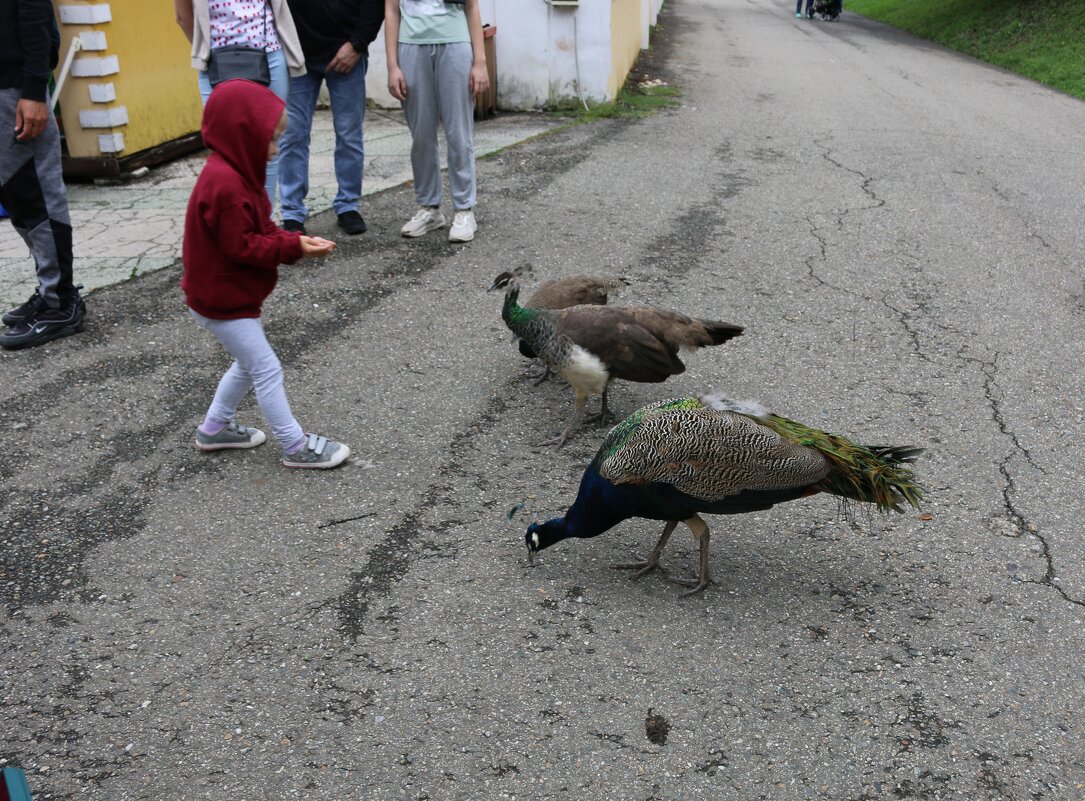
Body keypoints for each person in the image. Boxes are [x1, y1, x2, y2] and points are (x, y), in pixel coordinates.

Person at [182, 79, 350, 469]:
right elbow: (242, 246)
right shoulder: (226, 185)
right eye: (270, 140)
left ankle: (213, 428)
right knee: (266, 368)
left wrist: (296, 240)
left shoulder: (236, 172)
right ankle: (295, 446)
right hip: (221, 299)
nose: (275, 150)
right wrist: (292, 247)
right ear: (242, 134)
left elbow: (263, 228)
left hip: (226, 295)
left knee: (249, 363)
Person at [0, 0, 85, 350]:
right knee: (17, 196)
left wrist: (34, 89)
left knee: (37, 195)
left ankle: (60, 303)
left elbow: (34, 14)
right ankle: (51, 290)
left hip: (16, 89)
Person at [173, 0, 306, 206]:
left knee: (245, 144)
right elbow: (183, 17)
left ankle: (253, 222)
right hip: (249, 57)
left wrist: (212, 44)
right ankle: (250, 220)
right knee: (254, 144)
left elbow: (182, 17)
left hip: (251, 57)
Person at [384, 0, 489, 243]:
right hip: (410, 47)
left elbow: (472, 7)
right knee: (421, 135)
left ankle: (464, 210)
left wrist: (480, 62)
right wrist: (392, 65)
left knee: (459, 134)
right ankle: (429, 209)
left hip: (455, 45)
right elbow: (391, 10)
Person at [278, 0, 385, 237]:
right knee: (293, 134)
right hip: (297, 53)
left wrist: (357, 44)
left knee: (349, 133)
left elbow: (375, 6)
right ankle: (292, 213)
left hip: (347, 53)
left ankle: (348, 206)